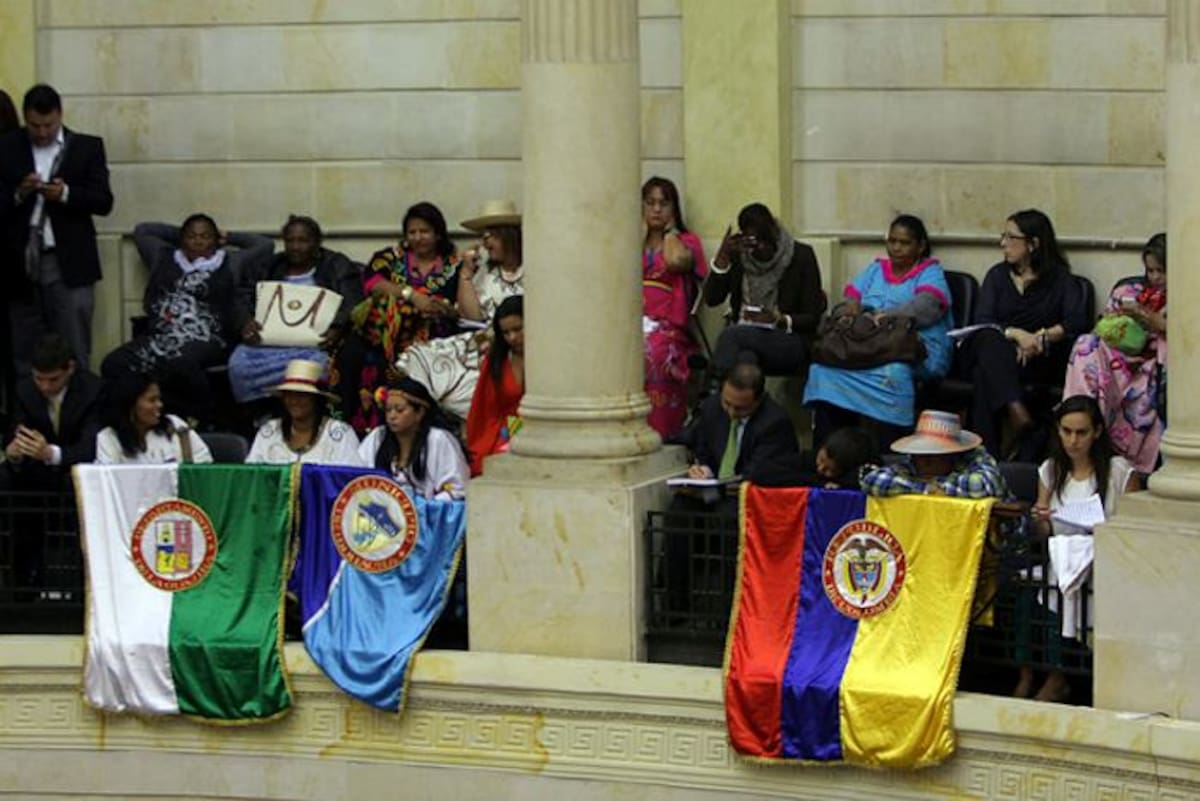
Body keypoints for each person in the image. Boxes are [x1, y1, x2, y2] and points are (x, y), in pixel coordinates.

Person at [1017, 395, 1139, 703]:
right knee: (1031, 586)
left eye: (1081, 433)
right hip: (1062, 557)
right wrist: (1040, 517)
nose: (1073, 441)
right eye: (1067, 432)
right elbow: (1043, 529)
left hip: (1104, 564)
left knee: (1065, 587)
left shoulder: (1119, 471)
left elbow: (1133, 531)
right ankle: (1028, 674)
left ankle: (1058, 678)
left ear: (1096, 432)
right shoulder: (1050, 470)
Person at [100, 214, 272, 426]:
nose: (198, 242)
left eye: (205, 237)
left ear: (215, 240)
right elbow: (143, 230)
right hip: (160, 336)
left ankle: (204, 418)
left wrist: (226, 236)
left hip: (206, 336)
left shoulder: (230, 262)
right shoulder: (162, 256)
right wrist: (180, 233)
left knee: (179, 363)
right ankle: (133, 418)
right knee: (113, 363)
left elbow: (265, 245)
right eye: (191, 236)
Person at [804, 215, 954, 447]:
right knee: (823, 370)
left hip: (914, 351)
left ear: (921, 246)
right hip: (870, 348)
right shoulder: (875, 269)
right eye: (892, 241)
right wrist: (850, 309)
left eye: (904, 243)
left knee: (893, 373)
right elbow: (849, 301)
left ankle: (891, 451)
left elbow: (928, 306)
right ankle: (832, 453)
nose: (896, 248)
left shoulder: (930, 272)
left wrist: (890, 316)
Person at [0, 84, 113, 374]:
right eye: (34, 126)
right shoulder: (8, 146)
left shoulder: (86, 147)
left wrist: (65, 194)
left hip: (68, 263)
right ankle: (29, 416)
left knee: (74, 345)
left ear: (60, 115)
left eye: (48, 125)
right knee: (24, 351)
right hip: (20, 265)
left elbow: (103, 201)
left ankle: (79, 414)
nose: (41, 133)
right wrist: (18, 193)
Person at [957, 209, 1089, 457]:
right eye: (1003, 236)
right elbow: (983, 320)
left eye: (1011, 237)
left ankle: (989, 458)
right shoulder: (997, 275)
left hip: (1033, 357)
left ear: (1033, 244)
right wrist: (1017, 334)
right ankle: (1016, 408)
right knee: (988, 339)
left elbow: (1076, 321)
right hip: (994, 347)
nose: (1003, 243)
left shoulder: (1059, 279)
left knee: (983, 377)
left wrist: (1041, 337)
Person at [397, 199, 524, 420]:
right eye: (483, 235)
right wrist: (465, 274)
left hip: (517, 343)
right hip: (482, 339)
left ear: (509, 236)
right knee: (419, 358)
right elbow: (471, 317)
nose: (485, 241)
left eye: (491, 235)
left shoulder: (533, 268)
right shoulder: (485, 272)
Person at [346, 201, 466, 431]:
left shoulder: (455, 265)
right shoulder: (390, 258)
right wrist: (411, 295)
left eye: (425, 231)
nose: (418, 237)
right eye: (412, 232)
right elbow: (373, 283)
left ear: (438, 234)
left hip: (433, 337)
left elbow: (461, 306)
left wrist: (444, 308)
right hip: (383, 338)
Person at [227, 215, 364, 415]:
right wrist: (246, 322)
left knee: (317, 367)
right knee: (239, 364)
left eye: (303, 241)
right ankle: (259, 415)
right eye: (290, 241)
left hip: (314, 344)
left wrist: (336, 328)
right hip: (269, 341)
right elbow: (242, 296)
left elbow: (354, 301)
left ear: (317, 243)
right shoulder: (270, 265)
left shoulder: (336, 264)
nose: (295, 247)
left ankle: (304, 415)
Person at [1, 333, 103, 593]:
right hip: (33, 475)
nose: (44, 387)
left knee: (75, 483)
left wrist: (50, 453)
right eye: (39, 379)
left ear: (69, 368)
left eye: (52, 380)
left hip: (74, 472)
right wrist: (14, 451)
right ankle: (18, 583)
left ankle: (77, 585)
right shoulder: (25, 389)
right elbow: (14, 432)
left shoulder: (93, 391)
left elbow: (91, 447)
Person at [1063, 233, 1166, 473]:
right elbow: (1103, 330)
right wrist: (1117, 321)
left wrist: (1155, 323)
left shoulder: (1188, 296)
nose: (1155, 278)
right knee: (1085, 346)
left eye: (1161, 271)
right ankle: (1081, 422)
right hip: (1118, 359)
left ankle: (1127, 462)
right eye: (1150, 271)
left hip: (1155, 362)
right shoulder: (1129, 291)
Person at [703, 203, 826, 378]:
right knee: (746, 360)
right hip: (745, 337)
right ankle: (739, 403)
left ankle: (713, 393)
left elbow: (812, 317)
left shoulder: (801, 255)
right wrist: (723, 256)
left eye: (765, 239)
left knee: (732, 335)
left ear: (775, 232)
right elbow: (712, 298)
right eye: (754, 242)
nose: (760, 247)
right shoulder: (740, 255)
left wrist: (778, 319)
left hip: (788, 340)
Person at [640, 177, 706, 437]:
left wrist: (668, 234)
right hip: (632, 321)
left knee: (653, 353)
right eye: (650, 203)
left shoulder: (685, 241)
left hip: (668, 325)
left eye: (664, 203)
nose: (657, 210)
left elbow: (676, 262)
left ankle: (662, 430)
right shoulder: (633, 241)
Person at [681, 361, 800, 482]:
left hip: (749, 492)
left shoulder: (775, 425)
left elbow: (755, 475)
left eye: (740, 408)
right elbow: (704, 453)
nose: (731, 412)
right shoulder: (712, 407)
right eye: (727, 403)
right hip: (716, 489)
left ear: (759, 400)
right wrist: (702, 470)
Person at [358, 377, 469, 501]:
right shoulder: (377, 437)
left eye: (399, 410)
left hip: (427, 516)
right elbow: (356, 476)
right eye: (388, 410)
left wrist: (420, 508)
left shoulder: (438, 439)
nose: (392, 416)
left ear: (420, 413)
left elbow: (458, 489)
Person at [860, 410, 1008, 499]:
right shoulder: (912, 461)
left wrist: (929, 487)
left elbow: (984, 485)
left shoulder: (975, 457)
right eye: (921, 453)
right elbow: (873, 480)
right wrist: (928, 489)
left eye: (933, 454)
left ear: (951, 454)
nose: (924, 461)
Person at [245, 359, 360, 466]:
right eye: (289, 394)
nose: (294, 401)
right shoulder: (268, 432)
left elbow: (352, 480)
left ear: (316, 399)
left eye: (301, 395)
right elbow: (252, 476)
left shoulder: (340, 434)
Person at [95, 372, 212, 464]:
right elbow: (106, 481)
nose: (160, 405)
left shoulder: (176, 426)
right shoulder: (108, 437)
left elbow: (203, 463)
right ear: (131, 405)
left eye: (159, 399)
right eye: (152, 400)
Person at [465, 295, 524, 476]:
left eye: (518, 329)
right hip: (509, 430)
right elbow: (484, 409)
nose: (512, 337)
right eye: (506, 333)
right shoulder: (496, 361)